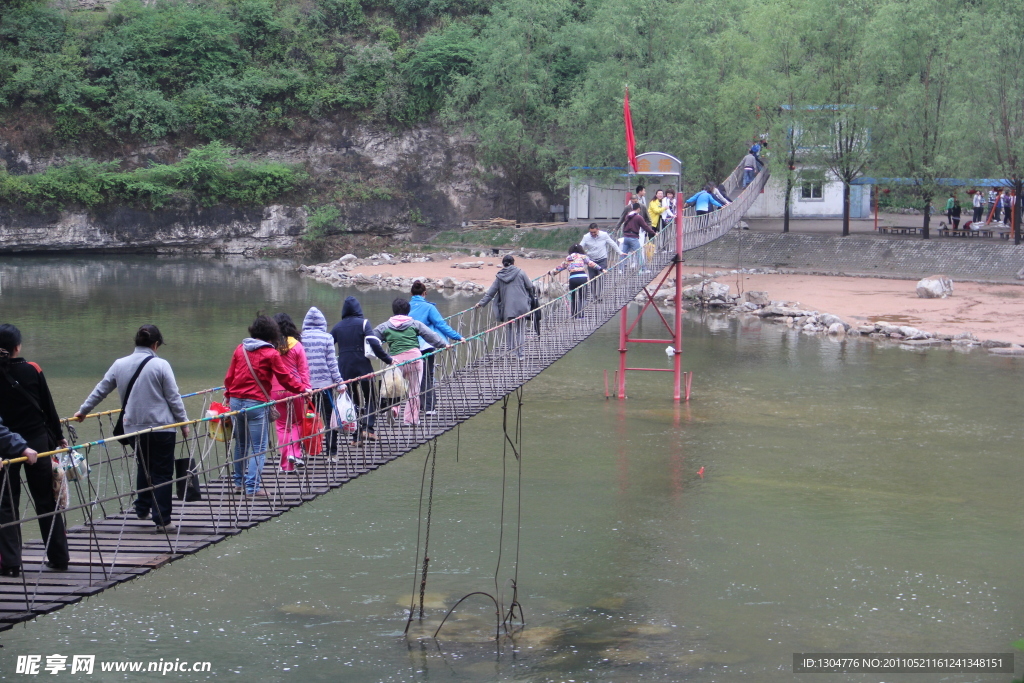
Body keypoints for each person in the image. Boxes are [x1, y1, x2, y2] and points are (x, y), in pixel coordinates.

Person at [75, 324, 188, 533]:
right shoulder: (161, 365)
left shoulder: (119, 364)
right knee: (162, 473)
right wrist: (183, 423)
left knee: (143, 465)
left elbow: (101, 389)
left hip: (133, 428)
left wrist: (83, 410)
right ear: (155, 345)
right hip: (162, 427)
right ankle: (163, 520)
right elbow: (174, 398)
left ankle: (142, 507)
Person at [0, 324, 70, 575]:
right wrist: (60, 437)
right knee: (46, 500)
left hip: (4, 446)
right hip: (37, 443)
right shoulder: (32, 369)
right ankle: (59, 557)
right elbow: (48, 407)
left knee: (6, 504)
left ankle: (10, 564)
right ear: (17, 346)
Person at [223, 315, 306, 497]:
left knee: (241, 445)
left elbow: (230, 377)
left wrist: (228, 396)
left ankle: (238, 483)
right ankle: (252, 488)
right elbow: (285, 379)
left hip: (236, 401)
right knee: (259, 447)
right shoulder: (271, 353)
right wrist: (303, 389)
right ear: (272, 333)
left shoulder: (240, 349)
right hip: (256, 404)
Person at [374, 299, 446, 425]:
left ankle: (393, 409)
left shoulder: (385, 326)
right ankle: (410, 419)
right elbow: (431, 336)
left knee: (394, 388)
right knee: (414, 391)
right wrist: (443, 344)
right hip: (415, 359)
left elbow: (372, 338)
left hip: (395, 361)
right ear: (408, 310)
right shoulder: (415, 323)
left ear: (393, 310)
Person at [332, 297, 393, 446]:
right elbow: (373, 342)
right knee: (371, 395)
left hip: (344, 367)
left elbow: (328, 344)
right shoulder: (364, 323)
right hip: (362, 366)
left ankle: (356, 437)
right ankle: (369, 429)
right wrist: (388, 359)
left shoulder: (337, 327)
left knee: (352, 401)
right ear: (358, 309)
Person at [409, 281, 464, 417]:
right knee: (428, 375)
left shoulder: (405, 307)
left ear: (411, 294)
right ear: (425, 293)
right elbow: (441, 324)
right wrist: (457, 337)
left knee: (415, 376)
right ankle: (429, 407)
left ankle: (418, 406)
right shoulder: (429, 307)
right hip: (426, 346)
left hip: (409, 346)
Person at [271, 313, 310, 472]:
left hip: (275, 391)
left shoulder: (271, 348)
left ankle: (286, 465)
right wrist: (307, 389)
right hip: (296, 390)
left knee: (281, 426)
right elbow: (304, 371)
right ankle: (295, 453)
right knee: (297, 422)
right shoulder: (297, 346)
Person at [476, 255, 537, 358]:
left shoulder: (499, 277)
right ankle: (520, 354)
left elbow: (491, 293)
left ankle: (511, 352)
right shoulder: (521, 272)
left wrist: (481, 303)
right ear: (513, 262)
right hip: (522, 306)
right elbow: (530, 286)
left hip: (507, 308)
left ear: (503, 264)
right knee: (520, 329)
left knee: (509, 328)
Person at [301, 307, 343, 457]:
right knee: (329, 418)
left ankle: (305, 450)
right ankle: (331, 453)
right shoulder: (327, 338)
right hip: (325, 386)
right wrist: (340, 382)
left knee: (306, 419)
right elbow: (332, 363)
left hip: (306, 389)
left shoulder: (300, 337)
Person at [549, 245, 605, 317]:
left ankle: (574, 314)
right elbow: (592, 264)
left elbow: (560, 268)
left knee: (573, 297)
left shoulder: (568, 258)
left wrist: (551, 273)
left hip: (573, 279)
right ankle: (581, 315)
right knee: (583, 297)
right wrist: (601, 269)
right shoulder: (583, 257)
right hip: (582, 278)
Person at [580, 222, 620, 299]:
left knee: (601, 277)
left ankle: (600, 295)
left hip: (602, 259)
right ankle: (594, 295)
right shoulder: (586, 237)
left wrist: (620, 252)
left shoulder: (604, 235)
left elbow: (612, 244)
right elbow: (580, 247)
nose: (593, 234)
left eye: (594, 232)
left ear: (598, 229)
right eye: (591, 232)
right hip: (591, 261)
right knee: (592, 279)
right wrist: (577, 256)